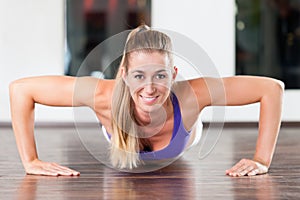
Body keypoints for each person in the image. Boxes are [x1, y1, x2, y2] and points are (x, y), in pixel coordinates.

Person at [9, 25, 284, 177]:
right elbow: (21, 90)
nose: (150, 88)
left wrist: (261, 159)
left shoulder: (191, 95)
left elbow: (272, 89)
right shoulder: (102, 95)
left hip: (186, 136)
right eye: (139, 76)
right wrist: (30, 160)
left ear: (173, 74)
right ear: (125, 75)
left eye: (160, 75)